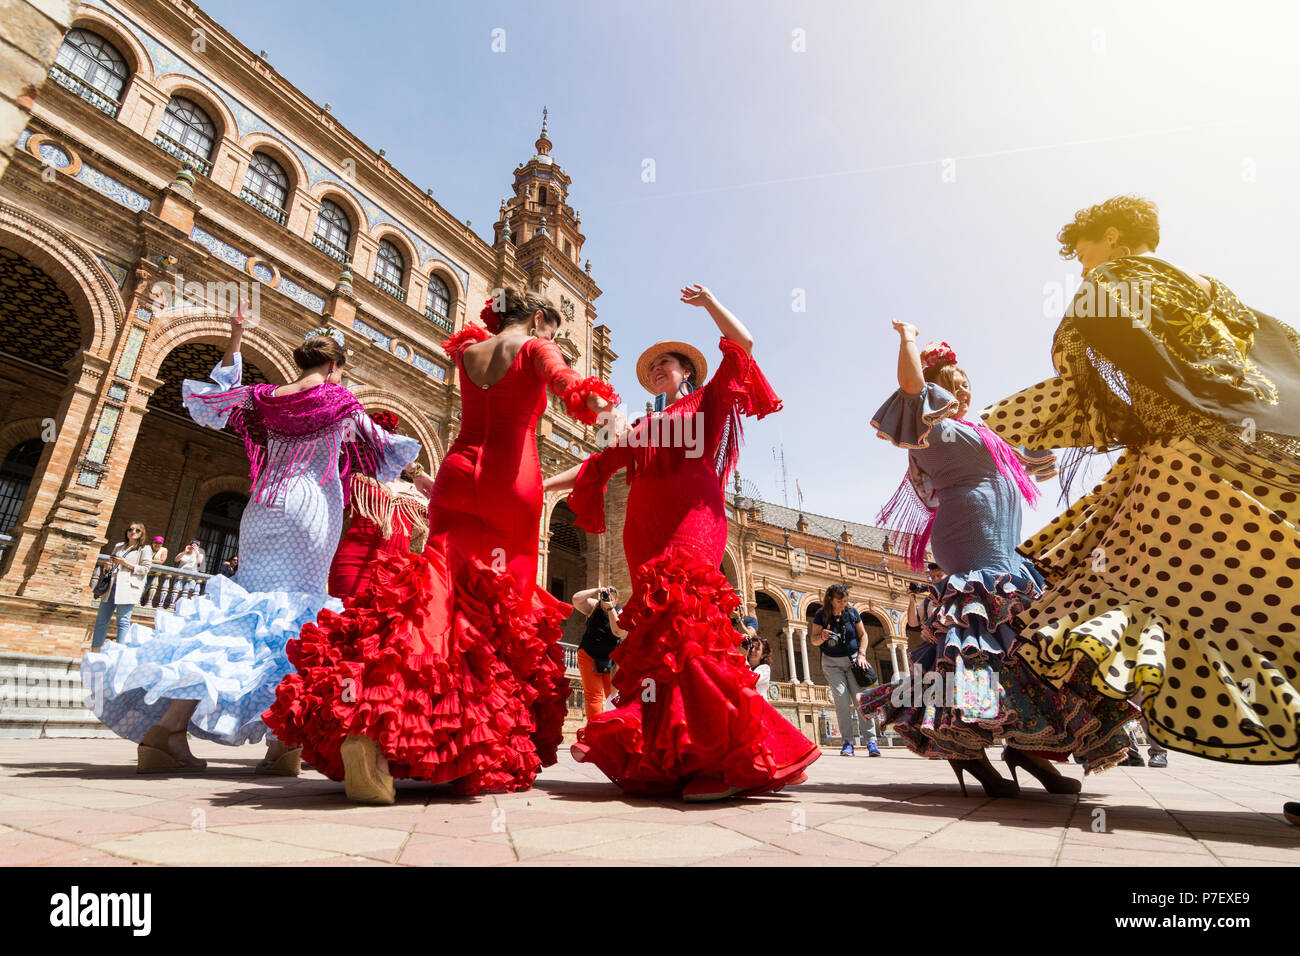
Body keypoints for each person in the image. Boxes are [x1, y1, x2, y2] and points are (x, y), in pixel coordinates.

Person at [983, 196, 1300, 815]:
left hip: (1184, 464)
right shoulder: (1216, 291)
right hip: (1260, 450)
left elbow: (1100, 357)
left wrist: (1044, 416)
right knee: (1272, 598)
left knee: (1142, 598)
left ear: (1112, 236)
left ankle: (1036, 734)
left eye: (1083, 253)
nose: (1081, 268)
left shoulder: (1115, 280)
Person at [266, 286, 617, 803]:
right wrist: (603, 406)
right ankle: (465, 740)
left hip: (457, 473)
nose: (553, 339)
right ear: (541, 320)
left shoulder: (470, 352)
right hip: (509, 481)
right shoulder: (538, 347)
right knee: (502, 610)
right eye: (553, 330)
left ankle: (372, 721)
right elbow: (573, 389)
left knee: (433, 594)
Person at [81, 305, 419, 775]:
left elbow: (213, 401)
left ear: (302, 361)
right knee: (298, 620)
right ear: (336, 366)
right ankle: (283, 744)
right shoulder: (341, 402)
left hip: (260, 508)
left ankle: (168, 731)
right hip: (310, 509)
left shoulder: (266, 396)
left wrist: (237, 339)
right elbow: (384, 450)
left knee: (240, 612)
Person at [546, 283, 820, 801]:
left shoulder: (706, 402)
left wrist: (712, 302)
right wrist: (539, 484)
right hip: (643, 532)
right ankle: (679, 755)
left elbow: (744, 346)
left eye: (666, 364)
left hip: (694, 519)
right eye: (652, 368)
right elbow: (596, 466)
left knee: (689, 621)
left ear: (687, 373)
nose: (657, 371)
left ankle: (720, 756)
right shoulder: (644, 425)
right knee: (660, 644)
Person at [859, 327, 1135, 797]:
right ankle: (968, 748)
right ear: (937, 386)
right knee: (978, 646)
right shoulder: (933, 427)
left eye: (968, 382)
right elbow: (909, 388)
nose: (965, 389)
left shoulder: (985, 430)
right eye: (955, 381)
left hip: (1007, 549)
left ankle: (1029, 746)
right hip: (970, 544)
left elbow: (1041, 447)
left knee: (1024, 644)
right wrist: (907, 339)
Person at [327, 413, 432, 600]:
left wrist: (417, 473)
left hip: (396, 576)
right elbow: (347, 423)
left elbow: (448, 511)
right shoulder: (355, 478)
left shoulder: (416, 490)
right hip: (352, 564)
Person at [811, 584, 881, 757]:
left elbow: (863, 635)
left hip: (854, 661)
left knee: (861, 700)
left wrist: (862, 655)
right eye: (839, 600)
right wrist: (822, 637)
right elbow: (813, 640)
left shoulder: (852, 613)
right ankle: (848, 742)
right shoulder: (821, 615)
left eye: (845, 600)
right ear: (830, 599)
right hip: (831, 663)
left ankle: (871, 741)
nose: (843, 603)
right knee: (841, 701)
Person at [90, 522, 153, 650]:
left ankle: (118, 652)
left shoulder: (144, 549)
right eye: (130, 529)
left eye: (137, 531)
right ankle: (95, 651)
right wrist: (107, 568)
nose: (133, 532)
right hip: (111, 586)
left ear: (142, 534)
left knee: (123, 621)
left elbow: (145, 569)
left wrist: (125, 563)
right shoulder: (119, 547)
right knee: (101, 621)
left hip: (128, 587)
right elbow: (111, 564)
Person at [571, 585, 626, 721]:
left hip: (611, 660)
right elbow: (576, 599)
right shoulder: (594, 606)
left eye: (611, 596)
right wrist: (597, 590)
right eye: (605, 595)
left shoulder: (620, 612)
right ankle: (594, 731)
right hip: (589, 654)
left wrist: (610, 608)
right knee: (593, 696)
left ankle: (612, 728)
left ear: (616, 599)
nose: (607, 598)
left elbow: (618, 631)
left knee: (612, 696)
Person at [745, 634, 772, 700]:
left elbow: (751, 680)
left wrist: (744, 656)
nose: (752, 650)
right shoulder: (744, 662)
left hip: (759, 707)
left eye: (757, 649)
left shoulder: (765, 668)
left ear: (763, 655)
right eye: (751, 647)